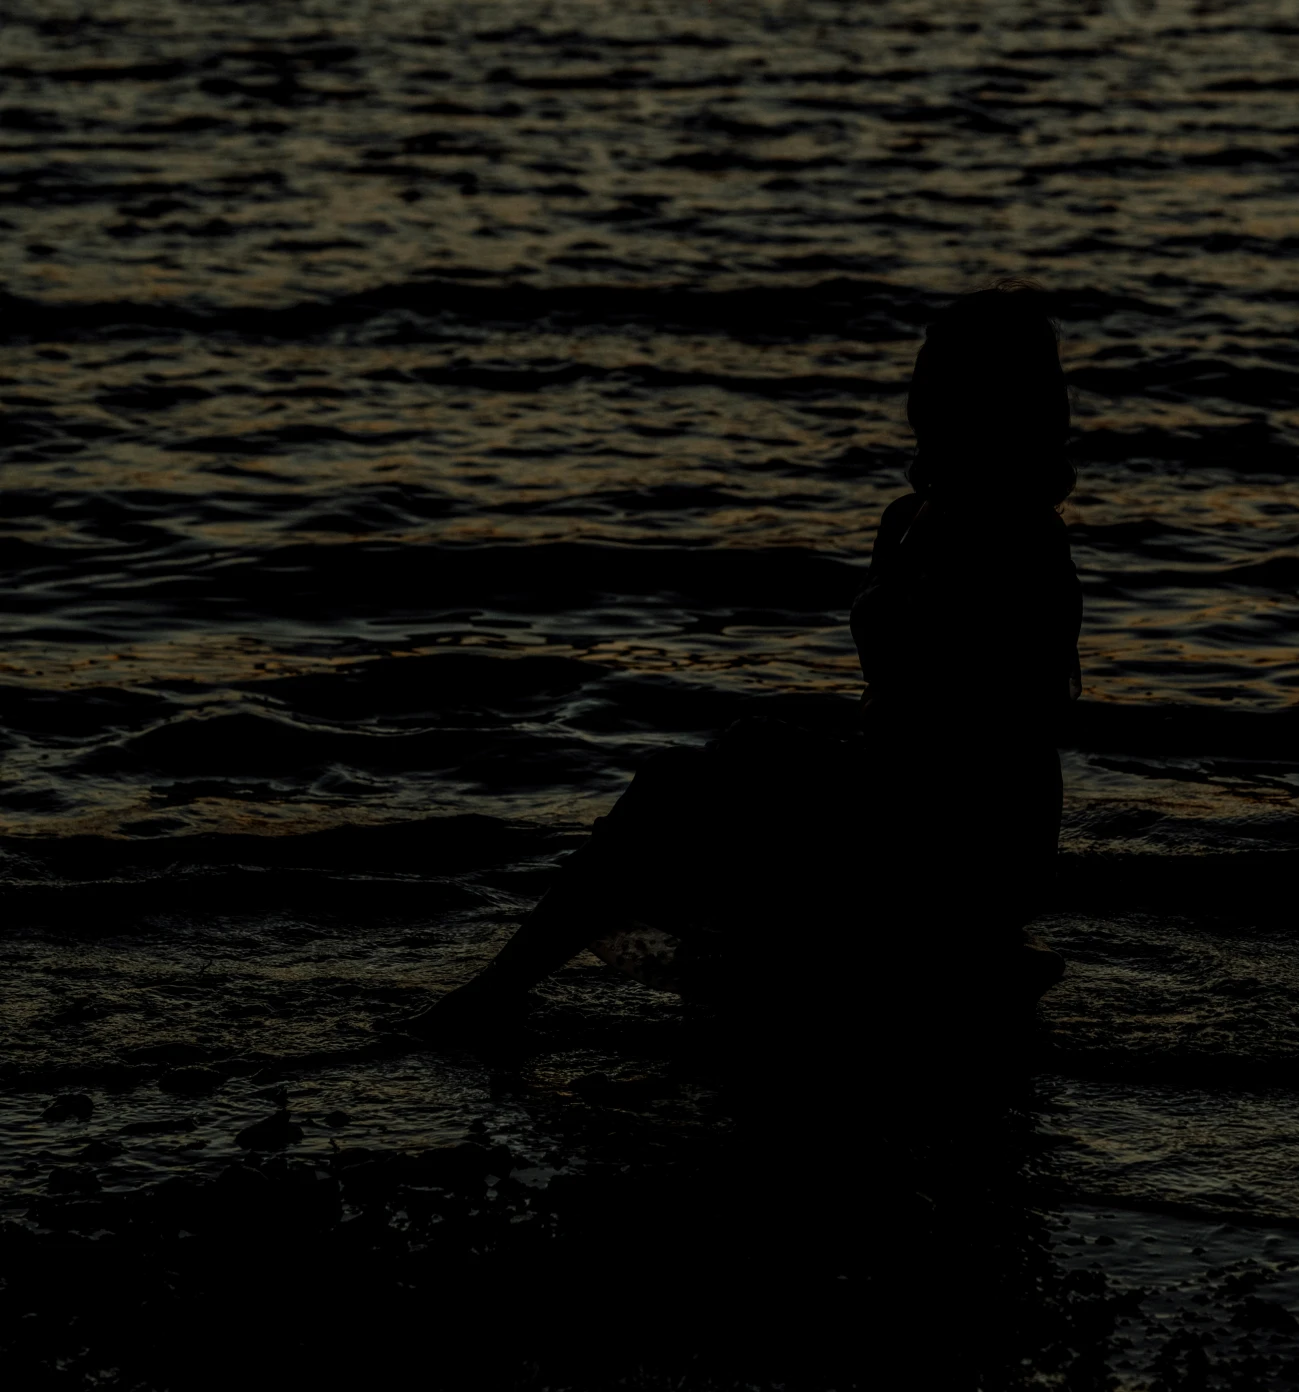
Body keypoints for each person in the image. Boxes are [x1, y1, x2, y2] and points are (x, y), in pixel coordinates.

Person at [414, 280, 1081, 1048]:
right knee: (710, 772)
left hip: (969, 815)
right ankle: (511, 989)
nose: (921, 392)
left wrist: (821, 768)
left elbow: (1002, 725)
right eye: (920, 372)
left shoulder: (1020, 540)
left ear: (994, 396)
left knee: (688, 786)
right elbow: (895, 692)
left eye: (944, 376)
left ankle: (496, 992)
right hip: (894, 778)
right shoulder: (909, 518)